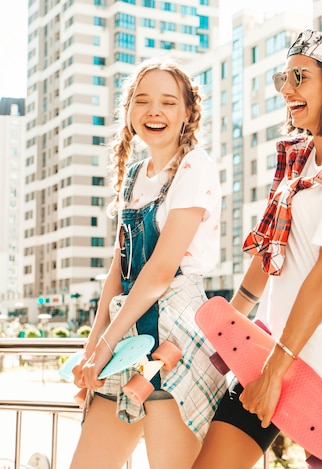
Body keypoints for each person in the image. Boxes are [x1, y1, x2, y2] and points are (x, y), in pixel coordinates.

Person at [192, 30, 322, 469]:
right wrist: (230, 321)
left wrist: (277, 371)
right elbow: (271, 249)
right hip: (267, 349)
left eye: (300, 77)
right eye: (284, 78)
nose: (287, 90)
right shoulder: (299, 157)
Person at [70, 58, 228, 469]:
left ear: (188, 112)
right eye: (142, 101)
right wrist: (92, 347)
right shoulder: (135, 175)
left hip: (174, 332)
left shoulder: (195, 166)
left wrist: (104, 347)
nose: (154, 111)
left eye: (168, 102)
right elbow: (118, 271)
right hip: (125, 334)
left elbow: (159, 273)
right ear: (129, 112)